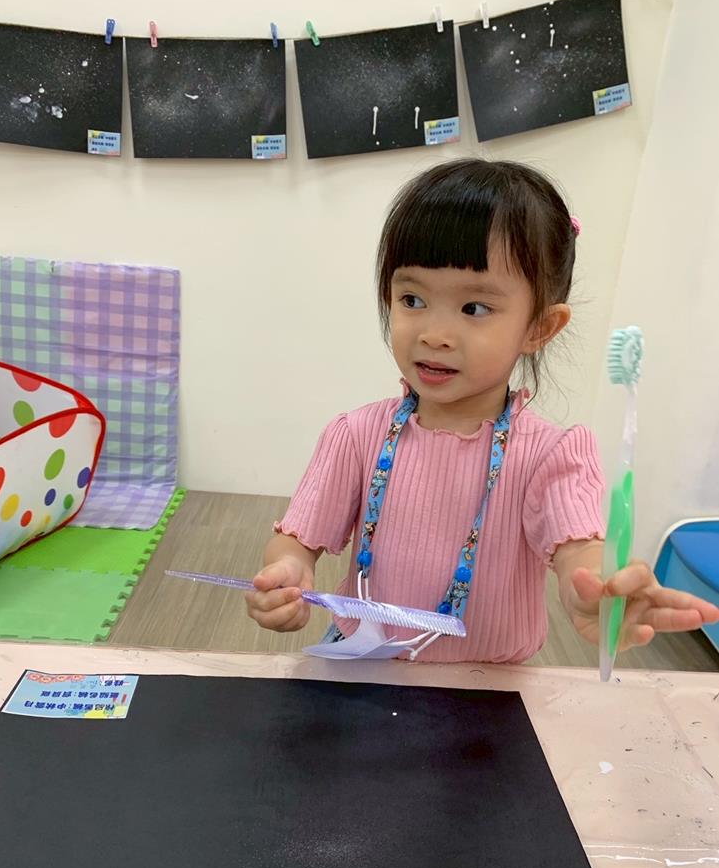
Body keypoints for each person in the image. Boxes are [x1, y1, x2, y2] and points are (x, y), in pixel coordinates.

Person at [245, 159, 719, 663]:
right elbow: (295, 541)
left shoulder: (550, 455)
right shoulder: (356, 435)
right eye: (412, 299)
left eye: (474, 308)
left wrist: (600, 588)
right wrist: (287, 573)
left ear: (539, 327)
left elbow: (579, 549)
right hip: (361, 660)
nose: (434, 334)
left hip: (487, 681)